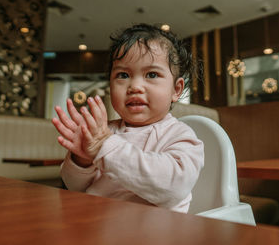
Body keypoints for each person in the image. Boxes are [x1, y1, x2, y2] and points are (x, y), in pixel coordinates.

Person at [52, 23, 204, 213]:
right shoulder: (105, 132)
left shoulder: (179, 135)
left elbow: (174, 188)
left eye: (152, 74)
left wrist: (104, 147)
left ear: (176, 89)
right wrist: (81, 160)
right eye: (123, 75)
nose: (135, 86)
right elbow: (75, 187)